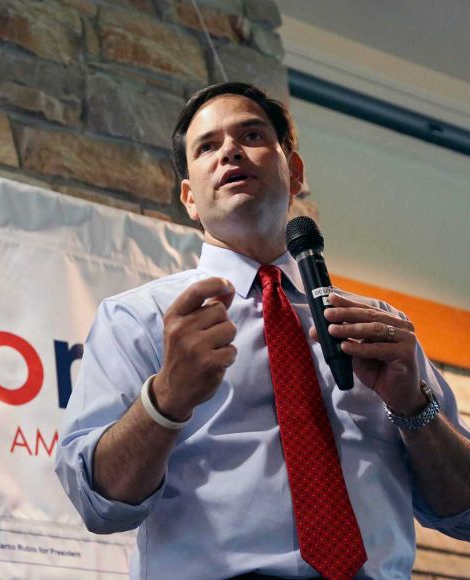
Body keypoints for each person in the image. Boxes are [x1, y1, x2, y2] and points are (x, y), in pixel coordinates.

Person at [54, 82, 470, 579]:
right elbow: (99, 503)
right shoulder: (139, 319)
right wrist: (166, 399)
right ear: (189, 197)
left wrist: (413, 406)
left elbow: (462, 512)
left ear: (293, 172)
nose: (229, 150)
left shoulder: (378, 326)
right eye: (207, 147)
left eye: (251, 135)